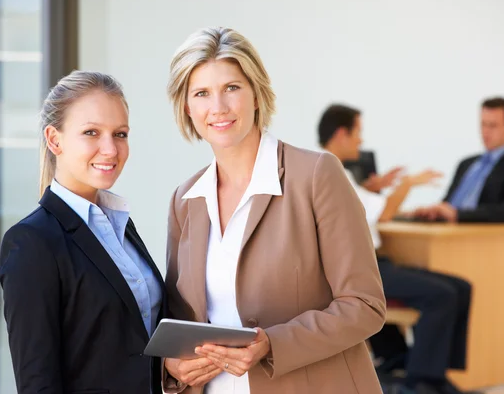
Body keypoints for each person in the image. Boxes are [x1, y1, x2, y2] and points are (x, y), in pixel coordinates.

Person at [162, 27, 386, 394]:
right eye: (201, 93)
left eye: (231, 88)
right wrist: (172, 364)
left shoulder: (316, 175)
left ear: (256, 94)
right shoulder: (185, 200)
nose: (217, 107)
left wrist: (273, 343)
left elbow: (365, 304)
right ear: (187, 108)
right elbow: (179, 320)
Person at [0, 71, 166, 393]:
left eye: (120, 134)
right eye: (91, 132)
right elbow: (37, 382)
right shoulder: (33, 242)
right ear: (54, 139)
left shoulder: (121, 227)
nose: (111, 150)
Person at [319, 104, 473, 394]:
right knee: (443, 296)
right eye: (358, 133)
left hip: (374, 263)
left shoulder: (337, 170)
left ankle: (430, 373)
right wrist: (409, 183)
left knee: (461, 287)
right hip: (359, 271)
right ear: (342, 134)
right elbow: (386, 212)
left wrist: (376, 189)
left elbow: (366, 210)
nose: (361, 141)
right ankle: (420, 382)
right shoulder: (330, 168)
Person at [413, 97, 504, 223]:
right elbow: (448, 203)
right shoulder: (466, 164)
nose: (486, 131)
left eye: (493, 125)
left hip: (478, 236)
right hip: (445, 231)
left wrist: (459, 214)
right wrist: (434, 211)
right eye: (483, 124)